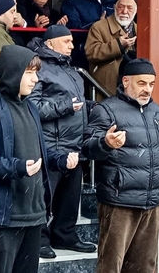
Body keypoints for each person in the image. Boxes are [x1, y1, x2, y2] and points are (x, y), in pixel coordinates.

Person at [83, 59, 159, 273]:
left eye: (151, 84)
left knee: (146, 266)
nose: (147, 89)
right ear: (126, 81)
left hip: (153, 200)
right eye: (142, 83)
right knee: (111, 265)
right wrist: (106, 143)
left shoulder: (157, 112)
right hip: (119, 201)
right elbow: (87, 149)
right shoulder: (106, 110)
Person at [0, 44, 78, 273]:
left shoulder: (30, 108)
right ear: (13, 72)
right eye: (30, 72)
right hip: (0, 216)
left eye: (36, 73)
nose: (35, 79)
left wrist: (59, 159)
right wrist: (14, 167)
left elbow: (38, 151)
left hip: (33, 214)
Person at [27, 25, 95, 258]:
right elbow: (32, 107)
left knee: (70, 196)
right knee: (45, 196)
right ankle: (40, 239)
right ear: (50, 44)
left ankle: (64, 234)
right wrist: (64, 107)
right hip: (49, 145)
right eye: (66, 41)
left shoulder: (72, 70)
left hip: (73, 144)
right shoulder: (39, 69)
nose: (71, 45)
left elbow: (77, 104)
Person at [85, 0, 137, 99]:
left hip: (132, 89)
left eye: (130, 8)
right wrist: (118, 45)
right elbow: (91, 52)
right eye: (121, 7)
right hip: (106, 88)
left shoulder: (140, 29)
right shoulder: (99, 27)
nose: (124, 11)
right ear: (114, 7)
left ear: (136, 11)